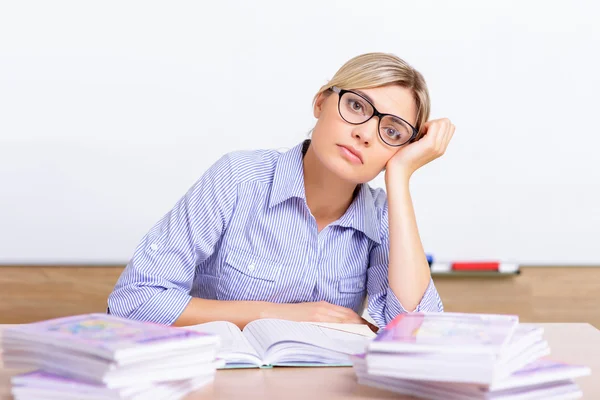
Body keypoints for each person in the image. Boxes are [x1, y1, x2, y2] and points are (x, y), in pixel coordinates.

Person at [107, 52, 454, 329]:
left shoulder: (381, 214)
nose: (364, 133)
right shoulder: (238, 179)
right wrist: (278, 315)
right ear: (320, 103)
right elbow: (135, 299)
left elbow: (415, 329)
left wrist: (400, 177)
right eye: (356, 106)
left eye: (391, 132)